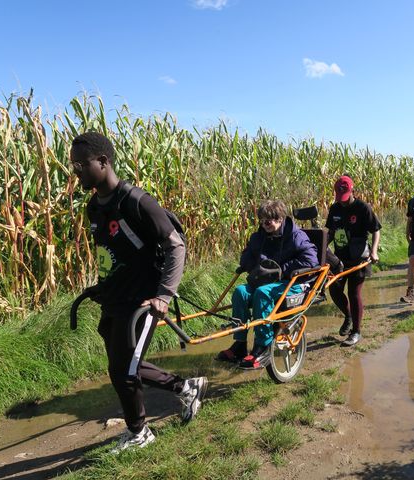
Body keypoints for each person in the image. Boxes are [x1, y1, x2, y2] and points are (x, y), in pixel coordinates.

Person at [71, 132, 207, 454]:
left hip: (143, 302)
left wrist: (164, 295)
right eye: (73, 165)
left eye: (81, 164)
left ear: (103, 162)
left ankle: (139, 432)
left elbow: (176, 245)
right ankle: (187, 388)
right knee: (123, 366)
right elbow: (111, 252)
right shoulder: (94, 208)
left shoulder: (136, 201)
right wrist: (101, 287)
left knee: (124, 370)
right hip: (115, 300)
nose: (76, 171)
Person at [218, 200, 319, 367]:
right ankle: (239, 345)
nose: (265, 224)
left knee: (262, 293)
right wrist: (257, 269)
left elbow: (310, 260)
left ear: (280, 219)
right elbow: (246, 256)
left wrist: (281, 269)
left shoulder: (295, 237)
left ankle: (262, 346)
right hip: (266, 281)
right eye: (262, 220)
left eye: (269, 220)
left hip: (291, 282)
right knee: (240, 292)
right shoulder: (258, 237)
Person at [326, 175, 381, 347]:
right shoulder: (334, 209)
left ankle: (356, 332)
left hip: (359, 258)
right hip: (339, 259)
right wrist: (319, 250)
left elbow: (376, 230)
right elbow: (329, 233)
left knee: (354, 293)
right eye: (338, 197)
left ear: (352, 191)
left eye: (345, 197)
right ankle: (348, 316)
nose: (342, 201)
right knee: (334, 290)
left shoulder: (363, 208)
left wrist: (374, 251)